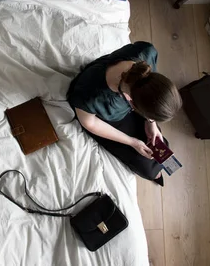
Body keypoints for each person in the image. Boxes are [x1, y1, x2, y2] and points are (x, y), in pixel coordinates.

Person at [67, 41, 182, 185]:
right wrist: (132, 142)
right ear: (132, 103)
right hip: (102, 118)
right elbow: (89, 123)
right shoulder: (92, 96)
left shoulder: (147, 52)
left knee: (157, 141)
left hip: (130, 94)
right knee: (146, 165)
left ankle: (156, 160)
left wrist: (151, 123)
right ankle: (153, 172)